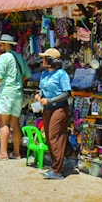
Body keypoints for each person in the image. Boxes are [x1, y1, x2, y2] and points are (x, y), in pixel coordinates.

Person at [0, 33, 31, 161]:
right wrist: (18, 81)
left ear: (6, 45)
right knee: (15, 123)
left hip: (6, 92)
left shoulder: (4, 57)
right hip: (18, 93)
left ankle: (3, 153)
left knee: (4, 123)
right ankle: (17, 153)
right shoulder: (19, 56)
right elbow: (28, 74)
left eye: (1, 44)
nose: (0, 46)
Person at [35, 47, 72, 180]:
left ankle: (57, 170)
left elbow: (67, 93)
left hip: (59, 108)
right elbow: (42, 89)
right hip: (47, 109)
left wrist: (50, 100)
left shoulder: (62, 74)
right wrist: (39, 95)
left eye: (45, 58)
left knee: (54, 136)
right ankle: (56, 165)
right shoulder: (44, 74)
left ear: (50, 60)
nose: (42, 60)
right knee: (50, 137)